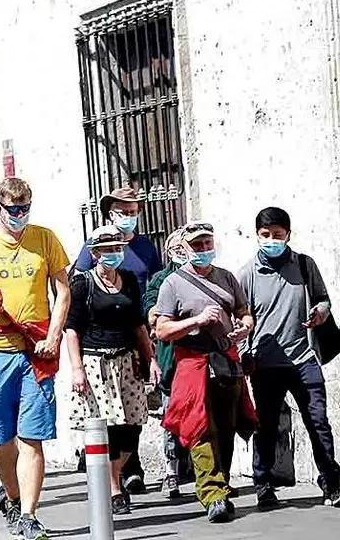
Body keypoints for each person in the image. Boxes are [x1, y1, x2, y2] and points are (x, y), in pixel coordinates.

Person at [0, 177, 71, 540]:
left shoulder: (45, 239)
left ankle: (30, 515)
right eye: (13, 210)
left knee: (31, 438)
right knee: (1, 441)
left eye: (25, 209)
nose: (19, 216)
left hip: (35, 353)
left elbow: (63, 290)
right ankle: (14, 499)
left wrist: (53, 336)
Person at [237, 207, 340, 509]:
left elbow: (323, 299)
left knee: (318, 422)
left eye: (278, 234)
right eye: (266, 235)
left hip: (305, 360)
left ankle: (331, 484)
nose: (272, 239)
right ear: (257, 236)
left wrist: (321, 312)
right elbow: (241, 319)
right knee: (266, 425)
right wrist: (244, 356)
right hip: (265, 364)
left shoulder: (304, 265)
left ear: (289, 234)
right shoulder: (247, 274)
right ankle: (263, 483)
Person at [155, 222, 254, 523]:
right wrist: (195, 320)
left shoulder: (226, 277)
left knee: (226, 428)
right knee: (200, 429)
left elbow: (243, 311)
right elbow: (161, 329)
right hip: (192, 363)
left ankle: (219, 483)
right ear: (185, 248)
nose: (203, 249)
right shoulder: (172, 284)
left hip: (225, 360)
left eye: (206, 243)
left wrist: (245, 327)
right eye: (196, 245)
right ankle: (211, 494)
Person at [65, 225, 160, 515]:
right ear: (94, 254)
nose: (113, 254)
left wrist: (150, 359)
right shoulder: (83, 285)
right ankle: (114, 488)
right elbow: (72, 331)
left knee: (132, 426)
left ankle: (110, 473)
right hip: (96, 363)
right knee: (106, 428)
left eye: (117, 249)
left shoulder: (129, 279)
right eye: (107, 250)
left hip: (127, 361)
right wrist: (77, 369)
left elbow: (138, 325)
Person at [143, 228, 188, 499]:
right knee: (171, 417)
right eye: (179, 248)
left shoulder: (208, 275)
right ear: (170, 252)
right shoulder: (161, 279)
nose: (185, 252)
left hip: (202, 359)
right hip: (171, 358)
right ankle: (171, 472)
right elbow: (150, 310)